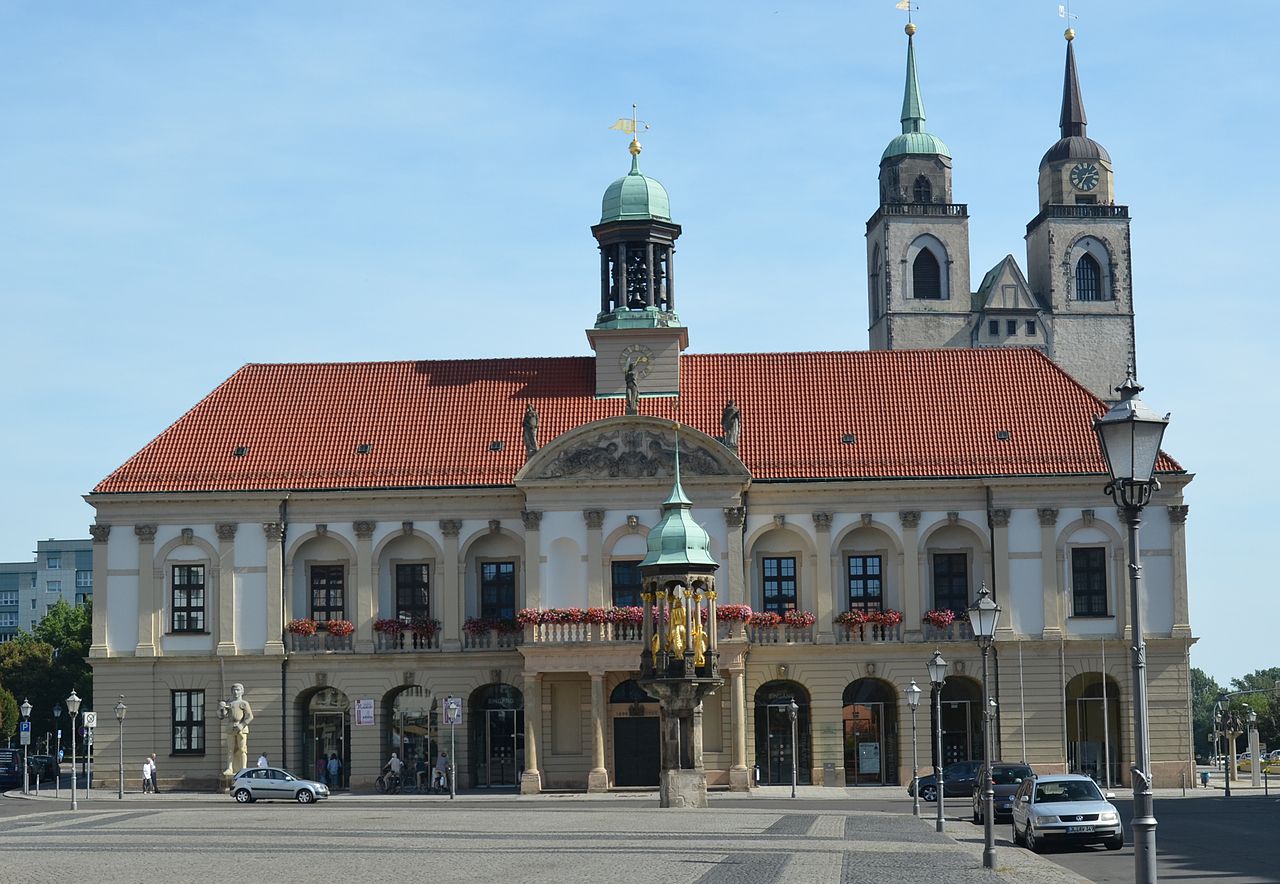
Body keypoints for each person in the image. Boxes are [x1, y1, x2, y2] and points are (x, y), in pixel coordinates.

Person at [218, 683, 254, 775]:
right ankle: (229, 768)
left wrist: (241, 725)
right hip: (230, 727)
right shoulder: (229, 703)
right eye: (234, 690)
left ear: (242, 691)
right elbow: (222, 716)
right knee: (230, 749)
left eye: (238, 690)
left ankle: (243, 769)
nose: (235, 692)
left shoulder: (244, 703)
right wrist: (222, 708)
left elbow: (250, 717)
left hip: (241, 728)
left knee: (242, 749)